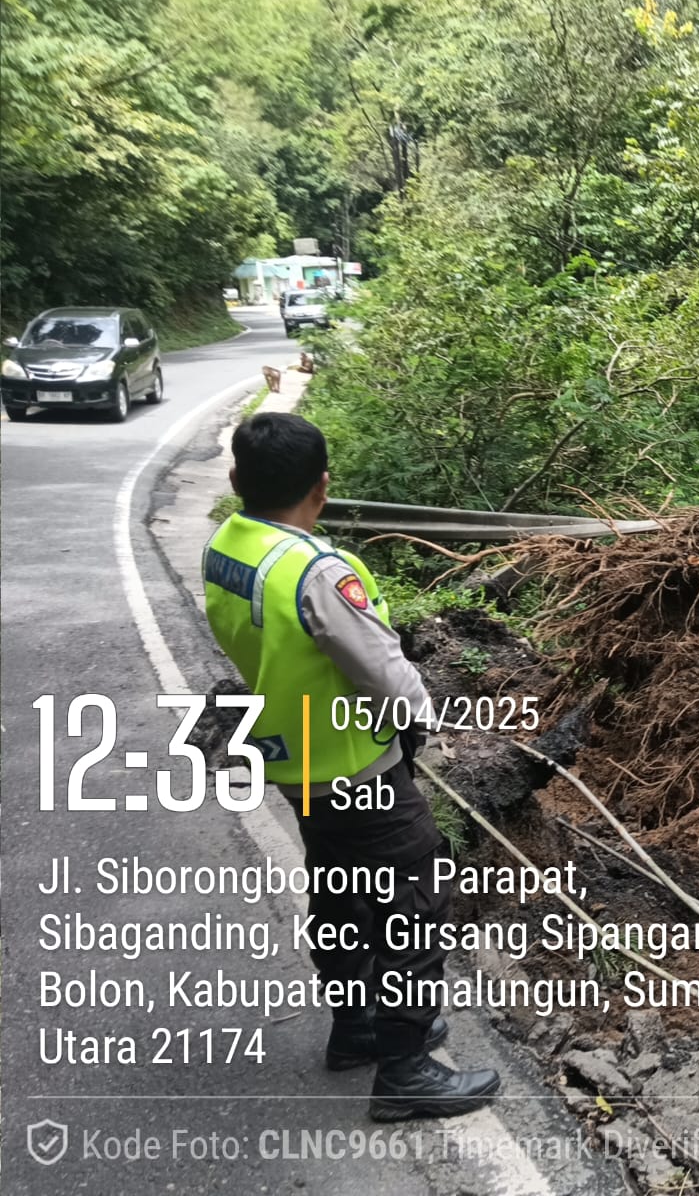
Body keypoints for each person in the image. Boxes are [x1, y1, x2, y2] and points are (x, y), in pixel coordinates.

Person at [202, 412, 500, 1122]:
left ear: (237, 480)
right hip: (355, 767)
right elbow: (387, 675)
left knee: (340, 891)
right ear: (323, 487)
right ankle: (405, 1069)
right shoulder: (319, 572)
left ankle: (356, 1024)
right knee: (415, 908)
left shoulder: (227, 545)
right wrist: (422, 723)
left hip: (292, 759)